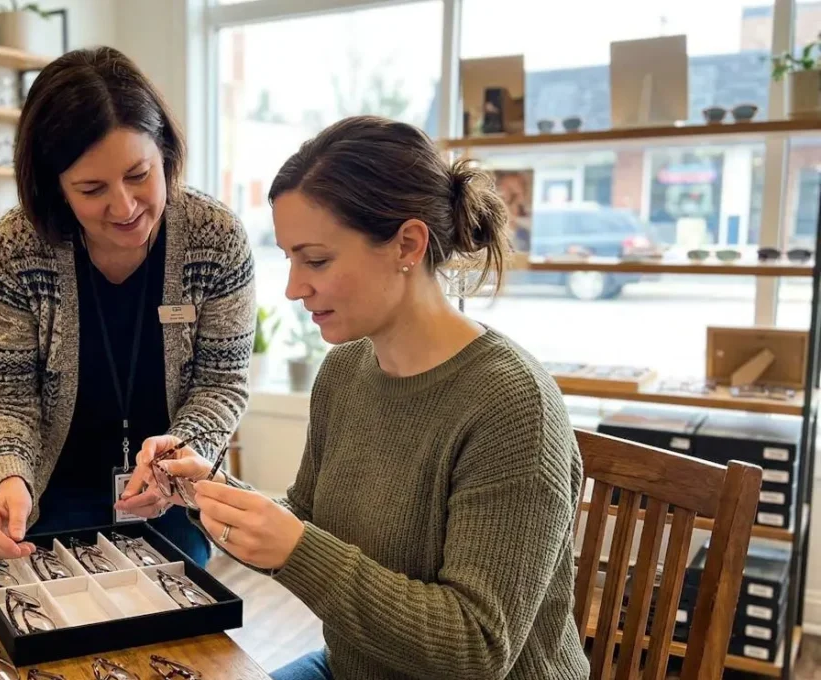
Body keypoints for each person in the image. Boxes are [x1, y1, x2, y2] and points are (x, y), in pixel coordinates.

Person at [119, 116, 589, 680]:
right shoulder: (345, 372)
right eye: (289, 258)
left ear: (407, 245)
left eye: (315, 260)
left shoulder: (512, 407)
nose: (294, 287)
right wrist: (205, 492)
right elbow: (305, 522)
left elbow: (478, 648)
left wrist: (297, 548)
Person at [0, 46, 255, 567]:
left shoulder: (215, 239)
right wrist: (9, 476)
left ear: (165, 152)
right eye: (92, 188)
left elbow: (221, 383)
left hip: (166, 501)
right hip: (48, 501)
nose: (124, 207)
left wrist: (177, 456)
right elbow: (5, 396)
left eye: (139, 175)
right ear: (54, 187)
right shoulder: (17, 247)